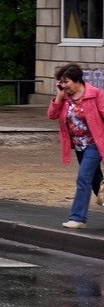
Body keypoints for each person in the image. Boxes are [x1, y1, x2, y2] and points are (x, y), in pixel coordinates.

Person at [48, 62, 104, 229]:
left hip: (95, 143)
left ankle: (78, 218)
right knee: (95, 181)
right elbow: (51, 115)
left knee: (83, 178)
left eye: (66, 82)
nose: (63, 86)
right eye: (61, 83)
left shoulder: (95, 94)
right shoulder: (65, 98)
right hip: (79, 146)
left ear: (77, 80)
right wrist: (58, 96)